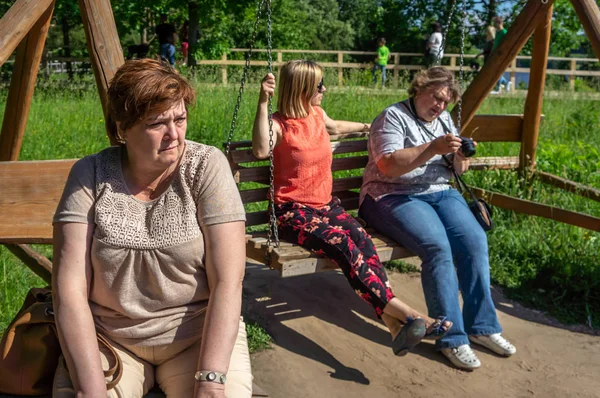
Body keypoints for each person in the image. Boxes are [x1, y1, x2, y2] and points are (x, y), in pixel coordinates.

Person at [52, 59, 252, 397]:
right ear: (121, 128)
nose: (173, 134)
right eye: (157, 123)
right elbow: (69, 291)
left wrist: (210, 379)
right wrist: (91, 390)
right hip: (111, 340)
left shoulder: (206, 167)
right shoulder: (90, 174)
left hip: (196, 338)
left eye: (180, 119)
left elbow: (229, 281)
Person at [252, 60, 452, 357]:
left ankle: (394, 326)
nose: (325, 89)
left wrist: (366, 127)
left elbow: (336, 126)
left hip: (325, 206)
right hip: (291, 213)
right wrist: (263, 101)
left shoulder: (317, 115)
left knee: (361, 238)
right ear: (303, 88)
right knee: (343, 244)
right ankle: (411, 315)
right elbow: (260, 149)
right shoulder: (279, 124)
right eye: (319, 85)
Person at [359, 66, 516, 370]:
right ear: (419, 89)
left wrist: (461, 156)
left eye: (446, 102)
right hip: (390, 194)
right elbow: (388, 166)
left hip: (439, 191)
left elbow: (458, 172)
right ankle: (452, 337)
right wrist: (432, 146)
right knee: (437, 248)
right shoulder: (392, 117)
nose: (440, 106)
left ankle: (483, 327)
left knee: (474, 241)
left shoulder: (444, 119)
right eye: (436, 98)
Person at [491, 16, 511, 93]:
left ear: (499, 23)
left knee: (497, 71)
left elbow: (506, 44)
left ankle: (498, 88)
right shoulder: (498, 32)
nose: (494, 25)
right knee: (494, 71)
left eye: (495, 23)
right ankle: (505, 83)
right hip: (495, 54)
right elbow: (495, 44)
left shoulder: (504, 32)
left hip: (500, 55)